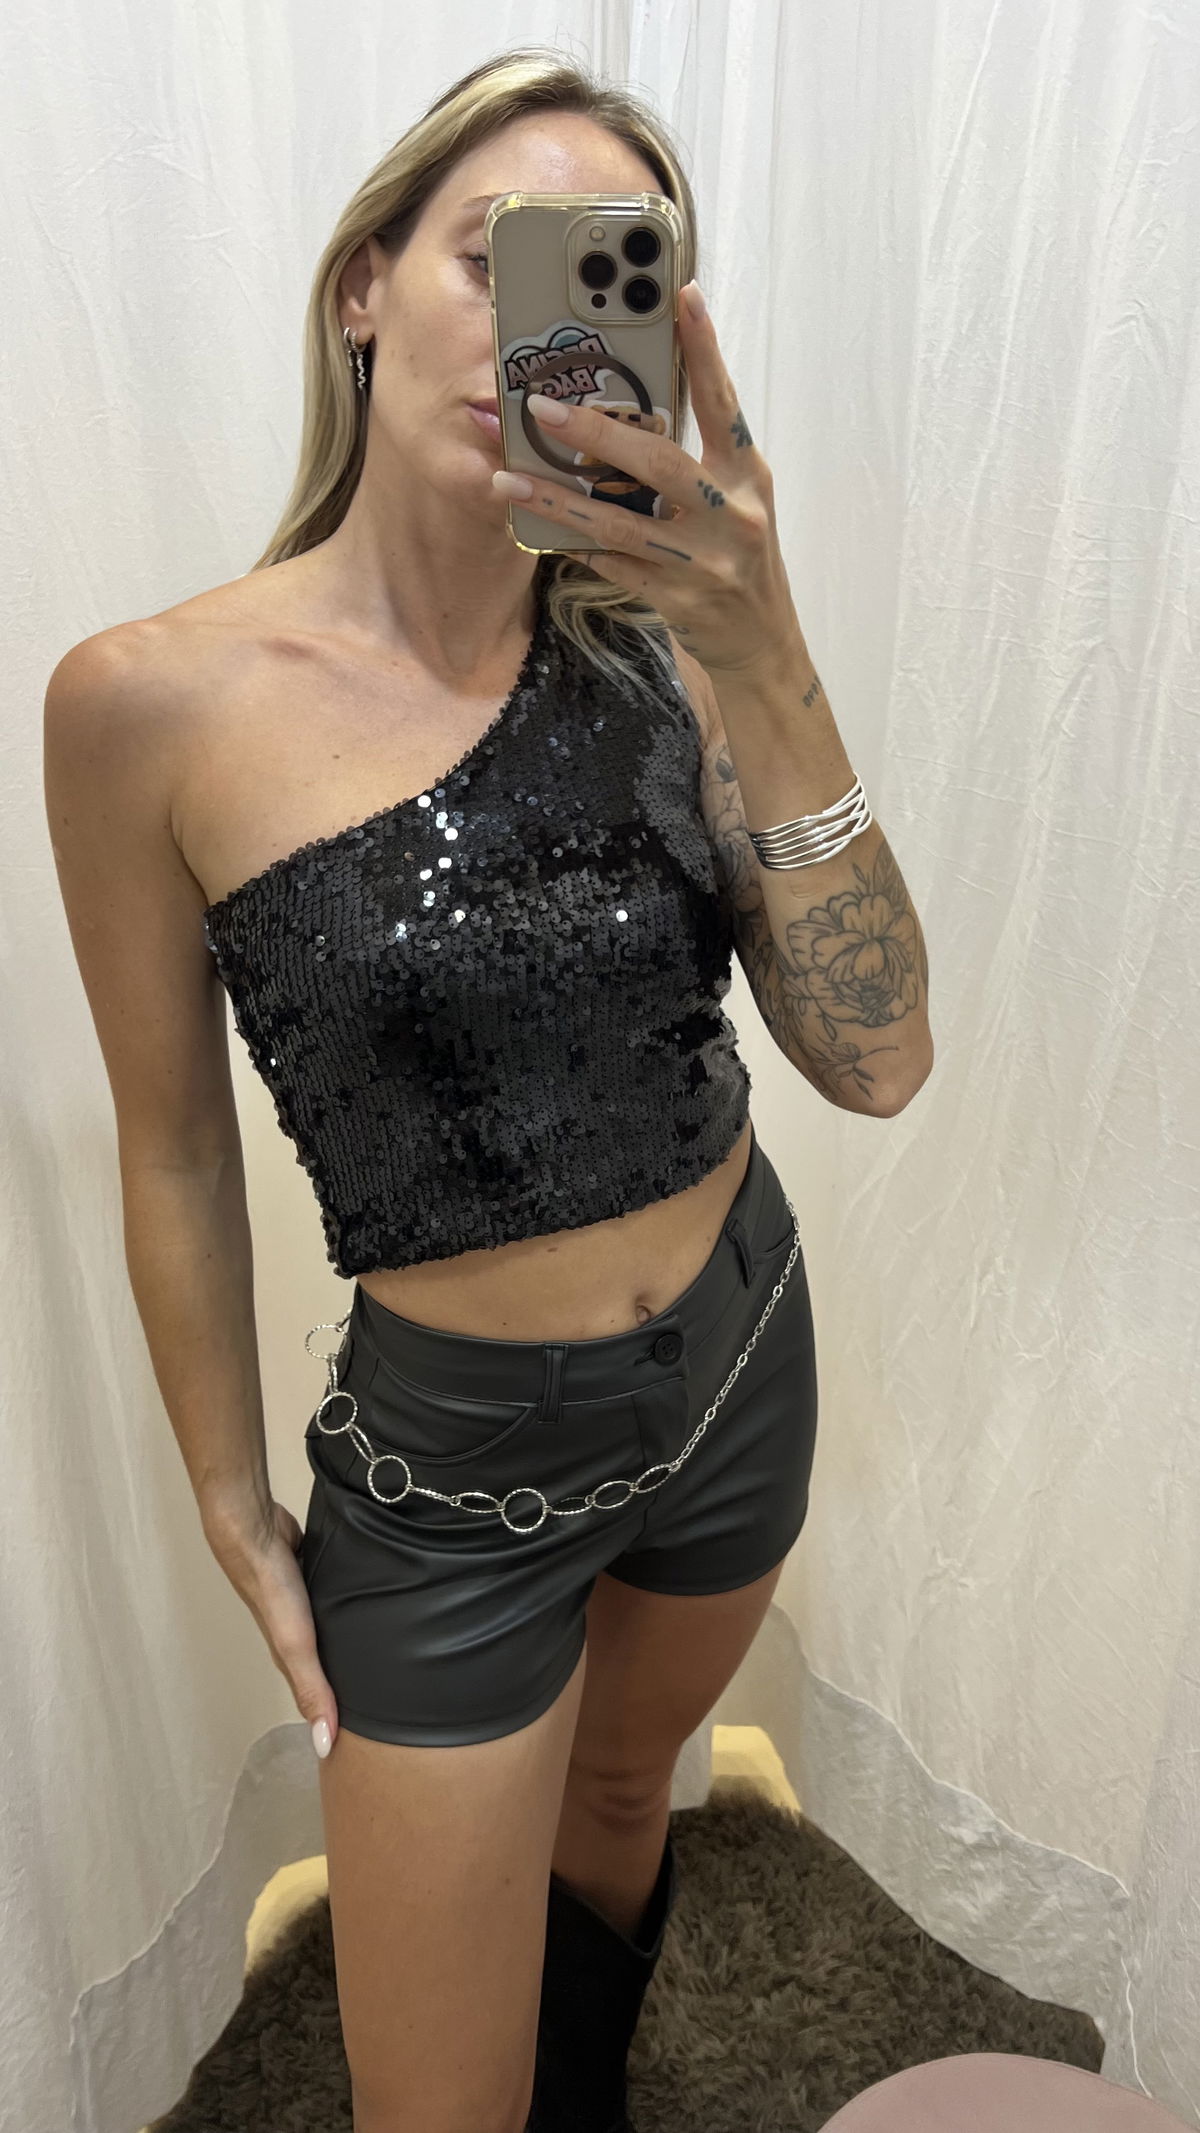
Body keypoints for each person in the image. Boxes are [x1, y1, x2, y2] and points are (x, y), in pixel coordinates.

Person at [44, 45, 932, 2133]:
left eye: (605, 277)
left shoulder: (673, 644)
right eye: (496, 255)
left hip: (742, 1362)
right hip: (447, 1482)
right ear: (364, 283)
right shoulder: (148, 706)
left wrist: (772, 652)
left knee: (626, 1796)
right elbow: (173, 1145)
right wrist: (224, 1496)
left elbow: (881, 1060)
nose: (545, 324)